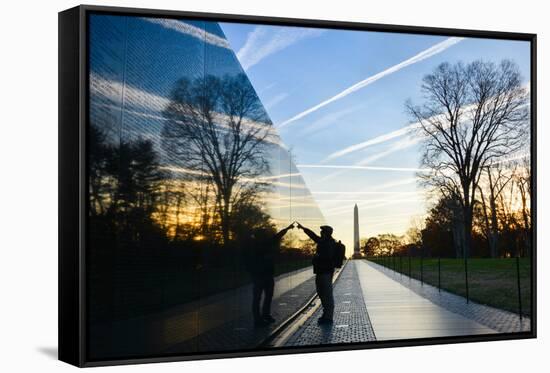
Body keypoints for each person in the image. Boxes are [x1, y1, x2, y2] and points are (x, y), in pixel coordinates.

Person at [243, 223, 295, 327]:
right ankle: (259, 319)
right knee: (260, 297)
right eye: (264, 234)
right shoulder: (258, 245)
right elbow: (277, 236)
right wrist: (287, 228)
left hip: (264, 275)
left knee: (265, 297)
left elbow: (277, 236)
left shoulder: (260, 243)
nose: (266, 235)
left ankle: (264, 316)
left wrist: (287, 228)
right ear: (261, 235)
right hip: (260, 275)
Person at [296, 222, 337, 325]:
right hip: (321, 271)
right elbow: (313, 236)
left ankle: (328, 317)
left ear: (327, 233)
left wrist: (316, 257)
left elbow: (327, 257)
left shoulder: (329, 243)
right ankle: (326, 314)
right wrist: (303, 228)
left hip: (325, 272)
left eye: (322, 231)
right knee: (321, 293)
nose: (320, 232)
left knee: (326, 294)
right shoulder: (323, 241)